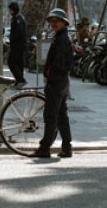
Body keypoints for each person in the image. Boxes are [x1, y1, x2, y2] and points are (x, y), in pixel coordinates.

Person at [32, 8, 74, 158]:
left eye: (57, 21)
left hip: (57, 82)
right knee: (62, 116)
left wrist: (50, 75)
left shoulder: (62, 40)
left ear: (64, 23)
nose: (54, 24)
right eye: (51, 21)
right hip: (61, 82)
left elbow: (59, 63)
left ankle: (44, 148)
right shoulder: (61, 37)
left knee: (51, 116)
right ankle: (66, 147)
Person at [8, 1, 27, 89]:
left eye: (10, 9)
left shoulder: (18, 19)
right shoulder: (18, 17)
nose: (9, 11)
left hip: (17, 46)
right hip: (19, 45)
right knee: (19, 64)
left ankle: (21, 80)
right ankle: (19, 81)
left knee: (11, 62)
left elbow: (19, 32)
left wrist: (13, 40)